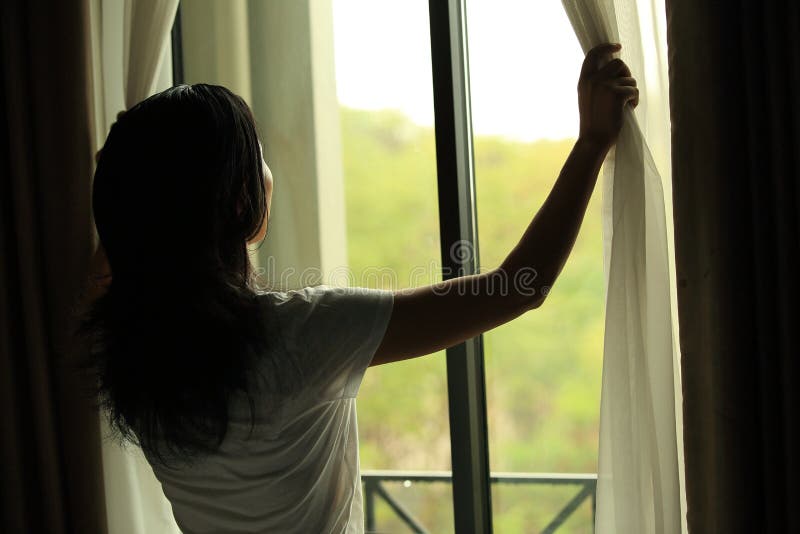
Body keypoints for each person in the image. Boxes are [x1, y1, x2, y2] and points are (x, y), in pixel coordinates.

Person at [79, 42, 637, 533]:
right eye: (261, 159)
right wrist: (590, 143)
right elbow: (519, 288)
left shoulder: (127, 344)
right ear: (245, 205)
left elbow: (116, 263)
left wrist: (132, 180)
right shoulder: (302, 337)